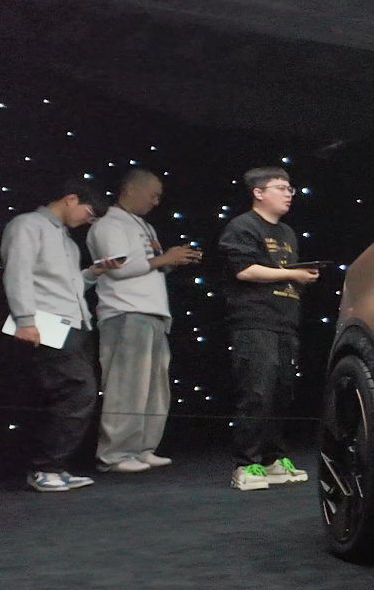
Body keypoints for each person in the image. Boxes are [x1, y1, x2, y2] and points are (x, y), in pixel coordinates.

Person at [0, 183, 124, 492]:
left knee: (76, 394)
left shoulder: (66, 240)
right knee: (78, 391)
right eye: (89, 213)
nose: (88, 220)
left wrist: (94, 272)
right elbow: (17, 273)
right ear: (70, 199)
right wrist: (25, 320)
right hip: (47, 322)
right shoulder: (28, 224)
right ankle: (45, 467)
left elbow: (66, 286)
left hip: (74, 324)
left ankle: (54, 466)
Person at [87, 168, 203, 473]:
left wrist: (172, 261)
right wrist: (165, 258)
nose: (156, 201)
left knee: (154, 388)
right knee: (127, 386)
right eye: (153, 194)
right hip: (125, 312)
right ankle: (115, 454)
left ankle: (143, 447)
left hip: (152, 311)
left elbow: (149, 265)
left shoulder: (144, 226)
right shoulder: (109, 224)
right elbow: (118, 268)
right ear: (129, 189)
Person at [219, 166, 318, 491]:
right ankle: (246, 463)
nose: (288, 194)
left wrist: (300, 276)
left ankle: (273, 458)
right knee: (257, 391)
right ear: (258, 193)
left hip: (284, 321)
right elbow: (244, 270)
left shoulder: (287, 232)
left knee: (281, 392)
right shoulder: (242, 226)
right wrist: (292, 274)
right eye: (280, 188)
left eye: (290, 188)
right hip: (254, 320)